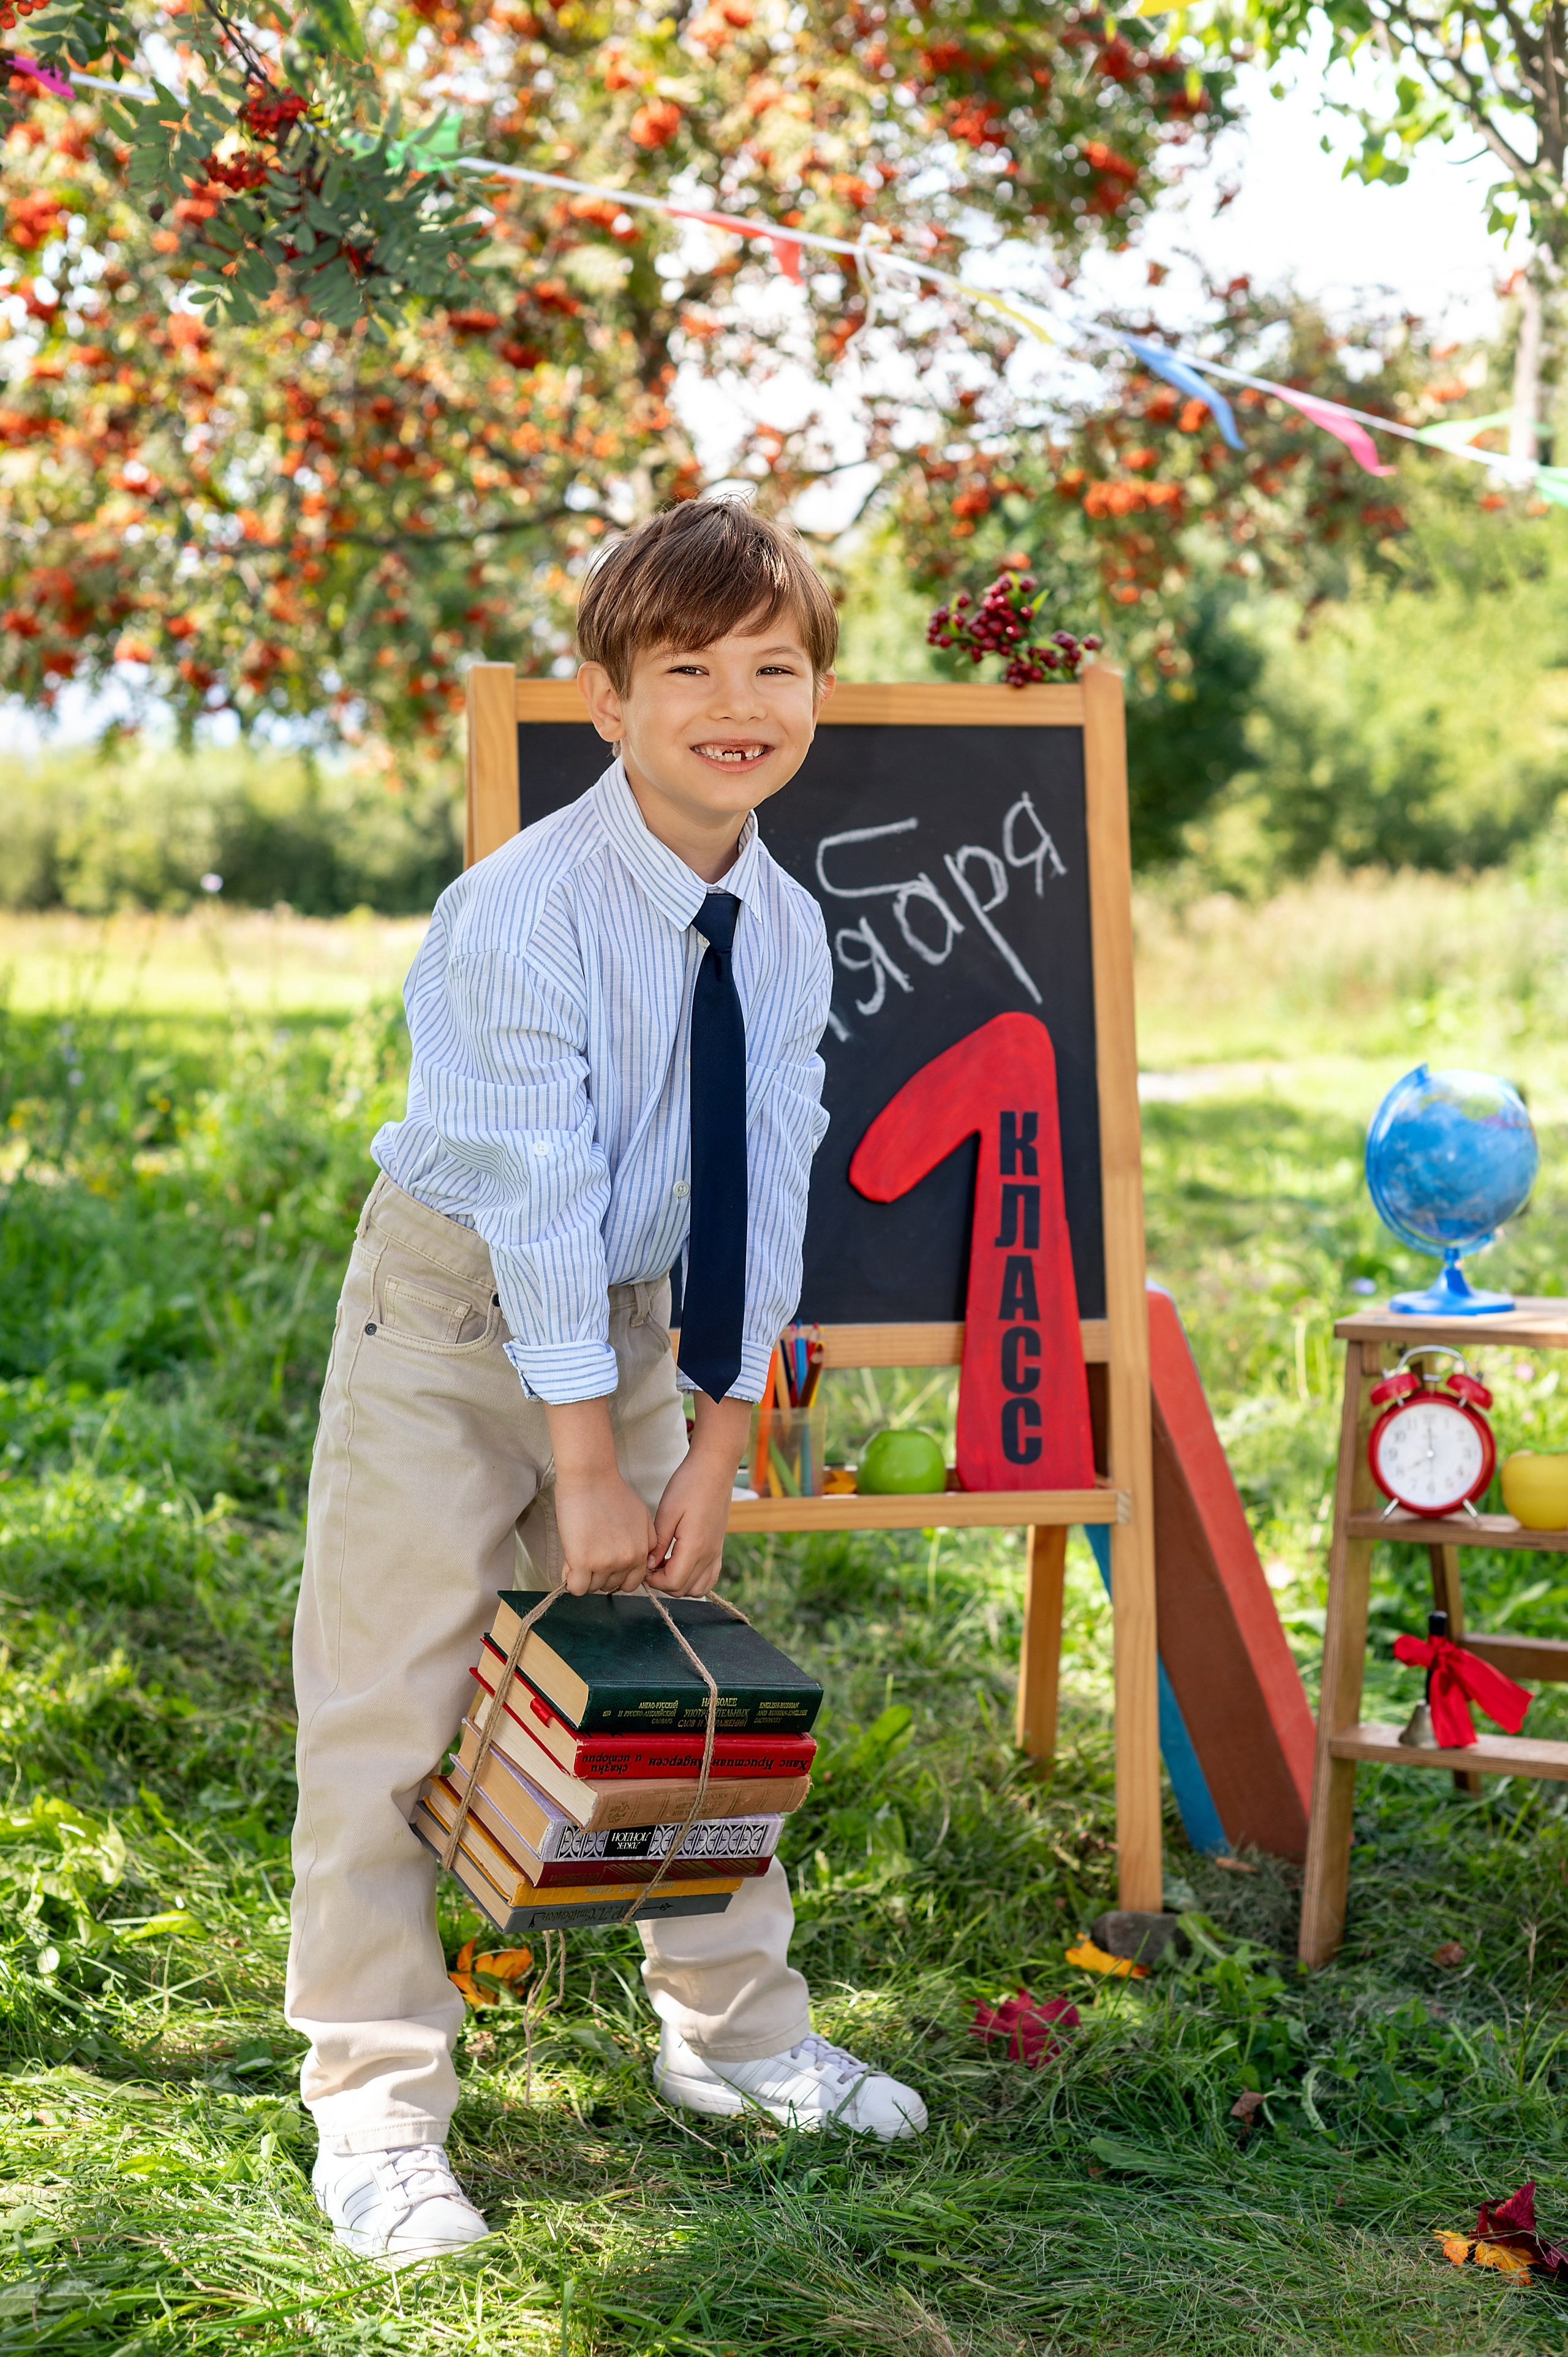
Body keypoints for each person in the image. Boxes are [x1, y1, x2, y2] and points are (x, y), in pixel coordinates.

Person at [289, 498, 927, 2268]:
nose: (740, 701)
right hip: (451, 1321)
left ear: (817, 691)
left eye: (776, 667)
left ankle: (736, 2040)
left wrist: (718, 1440)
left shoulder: (786, 926)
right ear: (609, 699)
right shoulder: (521, 911)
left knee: (681, 1688)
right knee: (389, 1703)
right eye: (691, 669)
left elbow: (766, 1187)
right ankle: (378, 2106)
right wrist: (587, 1462)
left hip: (645, 1322)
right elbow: (544, 1199)